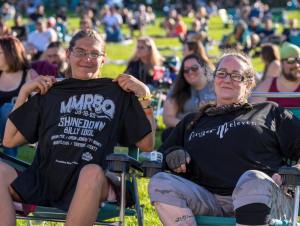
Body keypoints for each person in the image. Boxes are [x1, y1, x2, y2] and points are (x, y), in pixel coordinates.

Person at [0, 29, 155, 226]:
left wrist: (144, 95)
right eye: (80, 51)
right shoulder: (50, 91)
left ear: (103, 59)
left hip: (91, 182)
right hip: (45, 180)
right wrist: (24, 92)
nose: (87, 58)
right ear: (68, 54)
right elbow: (9, 140)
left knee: (91, 171)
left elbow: (147, 144)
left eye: (94, 53)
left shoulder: (119, 93)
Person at [149, 49, 300, 226]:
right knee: (160, 182)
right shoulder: (193, 120)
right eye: (222, 73)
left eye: (236, 75)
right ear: (214, 80)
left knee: (252, 179)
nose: (227, 79)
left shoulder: (269, 112)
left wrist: (295, 169)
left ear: (249, 83)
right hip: (207, 199)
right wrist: (173, 152)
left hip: (262, 197)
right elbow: (162, 154)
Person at [161, 54, 215, 142]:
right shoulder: (178, 88)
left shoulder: (216, 86)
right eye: (186, 70)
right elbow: (167, 118)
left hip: (211, 129)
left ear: (204, 68)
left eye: (194, 68)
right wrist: (189, 126)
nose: (190, 72)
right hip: (186, 130)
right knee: (168, 134)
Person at [0, 36, 36, 157]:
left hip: (20, 129)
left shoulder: (29, 75)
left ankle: (9, 157)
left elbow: (40, 104)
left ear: (11, 53)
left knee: (7, 108)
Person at [252, 42, 300, 107]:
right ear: (281, 63)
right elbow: (252, 111)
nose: (296, 65)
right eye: (291, 60)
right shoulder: (268, 86)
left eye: (299, 60)